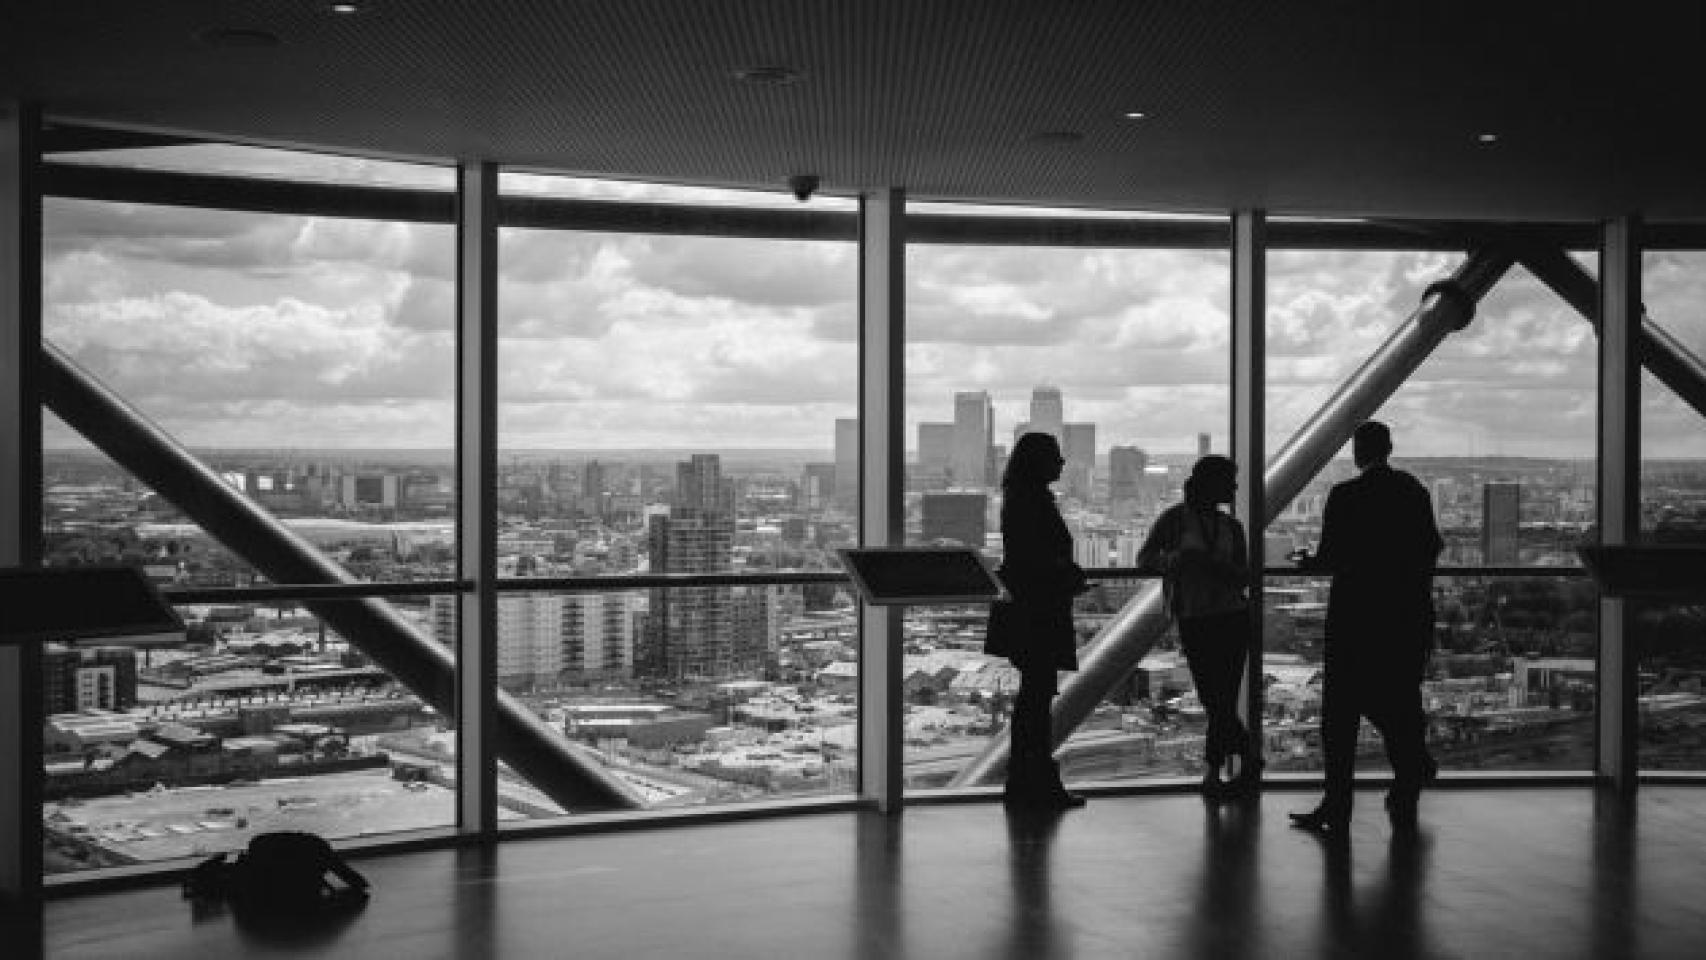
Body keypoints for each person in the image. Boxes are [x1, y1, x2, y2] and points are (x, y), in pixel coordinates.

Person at [1289, 420, 1443, 836]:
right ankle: (1409, 777)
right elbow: (1431, 548)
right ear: (1390, 448)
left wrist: (1308, 562)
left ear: (1358, 452)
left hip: (1355, 618)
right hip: (1403, 617)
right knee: (1399, 701)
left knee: (1340, 716)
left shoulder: (1346, 496)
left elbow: (1331, 557)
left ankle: (1337, 805)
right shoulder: (1413, 492)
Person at [1139, 455, 1258, 799]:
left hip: (1226, 617)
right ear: (1212, 484)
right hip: (1200, 617)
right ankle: (1245, 757)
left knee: (1218, 699)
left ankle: (1215, 771)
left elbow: (1243, 575)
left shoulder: (1229, 527)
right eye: (1229, 481)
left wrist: (1202, 564)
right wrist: (1178, 560)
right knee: (1216, 699)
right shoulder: (1175, 520)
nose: (1235, 488)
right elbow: (1146, 558)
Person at [985, 432, 1089, 810]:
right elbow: (1039, 558)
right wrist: (1066, 575)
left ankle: (1026, 782)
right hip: (1040, 612)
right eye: (1056, 458)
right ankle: (1037, 782)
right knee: (1036, 700)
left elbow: (1026, 557)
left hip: (1027, 611)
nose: (1061, 464)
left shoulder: (1019, 500)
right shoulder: (1034, 502)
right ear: (1039, 463)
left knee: (1033, 699)